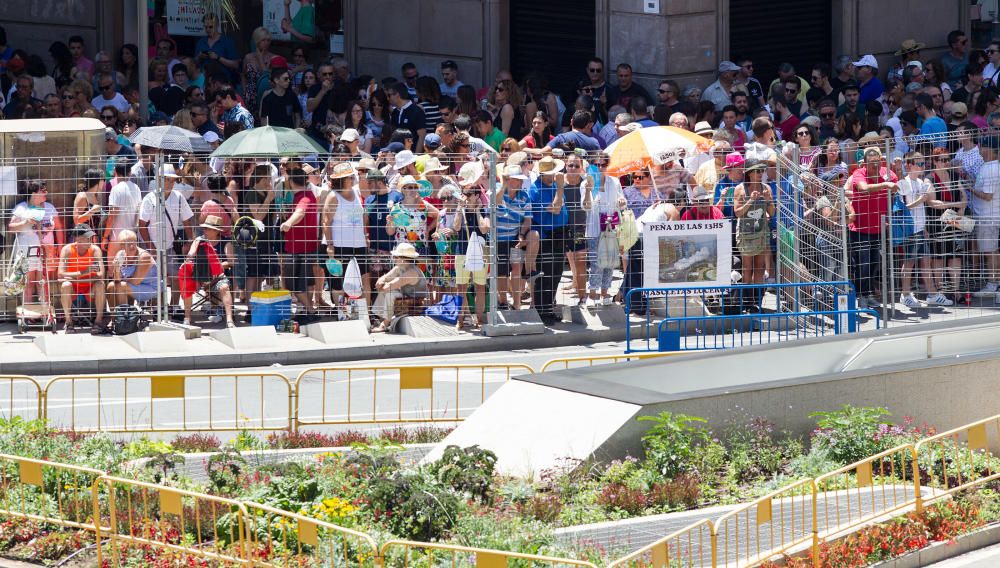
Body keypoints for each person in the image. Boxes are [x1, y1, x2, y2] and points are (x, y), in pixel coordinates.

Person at [896, 152, 952, 307]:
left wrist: (925, 227)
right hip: (910, 229)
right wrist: (921, 199)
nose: (922, 166)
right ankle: (905, 294)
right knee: (909, 263)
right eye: (919, 164)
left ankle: (932, 294)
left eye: (923, 163)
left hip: (920, 228)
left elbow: (925, 206)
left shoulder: (921, 182)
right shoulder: (903, 183)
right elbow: (903, 208)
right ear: (909, 165)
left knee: (926, 262)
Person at [138, 164, 194, 316]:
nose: (170, 183)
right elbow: (142, 224)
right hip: (153, 246)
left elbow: (187, 220)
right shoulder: (150, 199)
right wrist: (150, 247)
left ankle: (174, 307)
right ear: (159, 180)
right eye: (167, 180)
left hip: (170, 245)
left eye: (172, 180)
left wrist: (190, 241)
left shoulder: (179, 197)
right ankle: (157, 309)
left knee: (176, 277)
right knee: (156, 279)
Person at [848, 146, 898, 308]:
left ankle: (868, 294)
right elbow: (863, 189)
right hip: (860, 228)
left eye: (877, 162)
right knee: (862, 264)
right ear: (864, 163)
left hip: (879, 227)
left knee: (875, 263)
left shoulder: (888, 174)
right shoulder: (858, 173)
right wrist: (885, 185)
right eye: (871, 163)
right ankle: (861, 296)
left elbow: (897, 187)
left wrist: (897, 174)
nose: (875, 166)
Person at [323, 162, 370, 306]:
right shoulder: (333, 197)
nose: (352, 178)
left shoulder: (357, 192)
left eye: (352, 176)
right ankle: (341, 314)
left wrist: (365, 236)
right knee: (339, 283)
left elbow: (363, 217)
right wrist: (330, 245)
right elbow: (325, 222)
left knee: (364, 279)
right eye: (349, 177)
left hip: (359, 244)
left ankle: (365, 315)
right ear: (340, 180)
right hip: (339, 245)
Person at [927, 147, 969, 304]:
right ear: (935, 161)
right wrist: (956, 204)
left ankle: (956, 291)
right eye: (942, 160)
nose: (946, 162)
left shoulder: (954, 175)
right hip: (937, 222)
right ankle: (940, 291)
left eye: (947, 159)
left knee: (955, 256)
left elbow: (964, 196)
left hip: (955, 219)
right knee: (939, 257)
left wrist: (961, 210)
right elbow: (932, 202)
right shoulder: (929, 178)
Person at [9, 180, 61, 305]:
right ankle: (28, 313)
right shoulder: (22, 207)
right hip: (26, 249)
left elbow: (56, 228)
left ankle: (44, 311)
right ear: (33, 193)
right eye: (42, 191)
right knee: (28, 282)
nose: (45, 193)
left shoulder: (45, 207)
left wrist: (57, 244)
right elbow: (11, 228)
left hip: (43, 250)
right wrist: (25, 222)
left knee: (43, 281)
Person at [178, 216, 236, 327]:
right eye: (204, 228)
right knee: (187, 282)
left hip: (217, 276)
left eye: (208, 229)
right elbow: (190, 256)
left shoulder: (225, 243)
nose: (205, 231)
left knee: (224, 287)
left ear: (216, 231)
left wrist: (215, 266)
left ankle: (229, 320)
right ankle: (187, 317)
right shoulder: (199, 240)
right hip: (199, 275)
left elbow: (231, 261)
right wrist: (195, 247)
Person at [279, 165, 321, 321]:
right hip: (306, 247)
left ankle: (309, 310)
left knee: (293, 283)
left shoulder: (303, 197)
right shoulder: (309, 195)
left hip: (298, 248)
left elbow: (300, 212)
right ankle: (306, 311)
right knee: (306, 282)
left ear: (291, 182)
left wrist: (288, 223)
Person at [733, 161, 774, 310]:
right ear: (749, 173)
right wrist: (751, 200)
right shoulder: (740, 189)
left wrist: (768, 200)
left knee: (759, 267)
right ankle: (747, 301)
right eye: (756, 172)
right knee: (747, 268)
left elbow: (772, 212)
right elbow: (737, 212)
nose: (759, 174)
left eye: (761, 171)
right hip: (745, 234)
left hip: (761, 232)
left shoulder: (766, 188)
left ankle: (756, 302)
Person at [57, 224, 107, 334]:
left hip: (90, 287)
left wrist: (73, 277)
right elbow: (60, 275)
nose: (91, 240)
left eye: (91, 237)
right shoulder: (67, 250)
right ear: (78, 239)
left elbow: (101, 274)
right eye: (87, 238)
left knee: (100, 284)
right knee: (65, 285)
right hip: (73, 288)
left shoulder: (95, 250)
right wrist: (84, 272)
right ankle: (69, 322)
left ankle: (98, 322)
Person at [371, 242, 428, 332]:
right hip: (406, 299)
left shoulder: (411, 272)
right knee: (388, 291)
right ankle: (383, 319)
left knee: (390, 293)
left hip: (417, 303)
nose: (394, 258)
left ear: (403, 259)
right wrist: (382, 282)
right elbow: (384, 279)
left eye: (396, 257)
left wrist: (382, 285)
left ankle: (384, 324)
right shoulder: (399, 268)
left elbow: (388, 286)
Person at [973, 138, 1000, 299]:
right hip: (988, 216)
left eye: (981, 148)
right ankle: (994, 283)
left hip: (988, 217)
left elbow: (988, 196)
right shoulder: (989, 166)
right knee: (993, 251)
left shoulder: (990, 168)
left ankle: (992, 284)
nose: (979, 151)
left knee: (990, 252)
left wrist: (969, 187)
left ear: (988, 149)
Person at [108, 229, 159, 308]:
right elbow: (116, 280)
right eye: (128, 244)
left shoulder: (144, 256)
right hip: (131, 286)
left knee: (121, 287)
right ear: (121, 246)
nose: (132, 246)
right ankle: (115, 318)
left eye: (134, 242)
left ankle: (125, 318)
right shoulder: (120, 254)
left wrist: (121, 279)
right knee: (111, 286)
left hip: (151, 287)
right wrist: (117, 268)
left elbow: (135, 281)